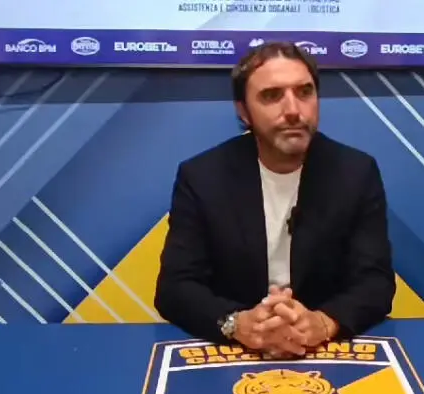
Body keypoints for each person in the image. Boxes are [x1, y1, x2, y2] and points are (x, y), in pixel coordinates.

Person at [154, 41, 396, 358]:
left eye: (305, 92)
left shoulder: (356, 173)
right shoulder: (202, 177)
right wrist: (238, 324)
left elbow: (375, 283)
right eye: (271, 96)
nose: (293, 110)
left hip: (324, 352)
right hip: (235, 354)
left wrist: (323, 323)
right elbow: (175, 288)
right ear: (244, 111)